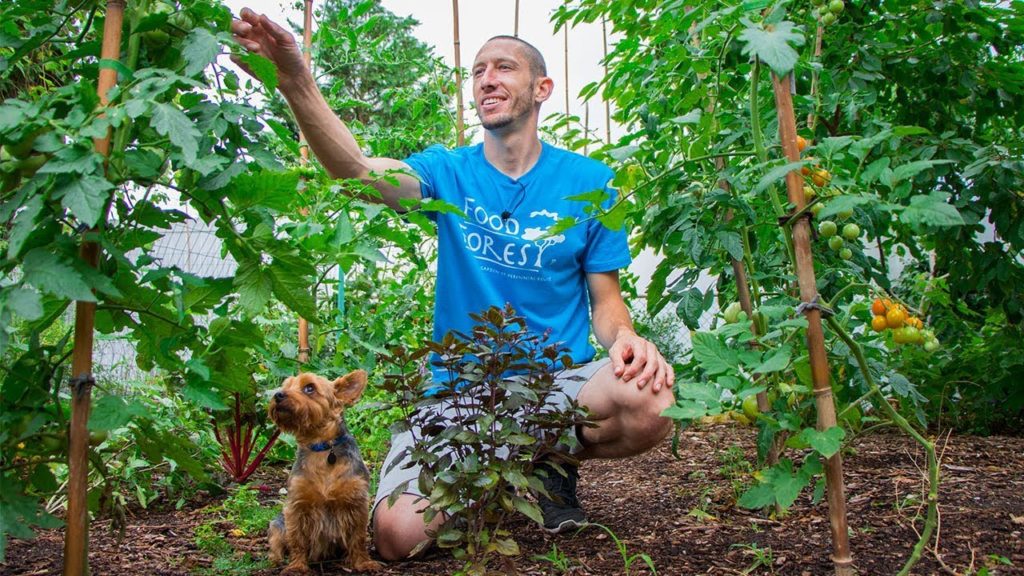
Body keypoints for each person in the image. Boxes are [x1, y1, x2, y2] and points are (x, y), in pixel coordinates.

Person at [231, 8, 676, 562]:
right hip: (460, 396)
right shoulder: (448, 172)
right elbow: (360, 173)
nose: (486, 78)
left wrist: (628, 340)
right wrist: (297, 81)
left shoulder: (590, 183)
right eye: (478, 70)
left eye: (504, 67)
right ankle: (486, 480)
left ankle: (547, 463)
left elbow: (606, 304)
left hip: (555, 386)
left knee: (650, 399)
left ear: (542, 88)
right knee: (395, 538)